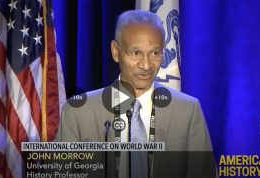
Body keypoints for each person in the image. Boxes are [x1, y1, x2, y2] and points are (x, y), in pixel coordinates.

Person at [54, 10, 217, 178]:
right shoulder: (78, 113)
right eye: (135, 53)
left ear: (163, 51)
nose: (146, 65)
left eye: (154, 53)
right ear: (115, 51)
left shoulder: (188, 111)